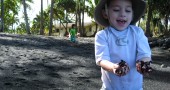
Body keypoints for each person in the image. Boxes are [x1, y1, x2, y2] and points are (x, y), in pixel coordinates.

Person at [94, 0, 152, 90]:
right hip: (110, 87)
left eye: (128, 11)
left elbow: (145, 54)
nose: (122, 14)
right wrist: (114, 67)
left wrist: (143, 63)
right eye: (116, 10)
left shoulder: (137, 32)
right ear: (105, 13)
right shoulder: (102, 35)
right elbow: (102, 60)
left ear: (132, 14)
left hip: (135, 87)